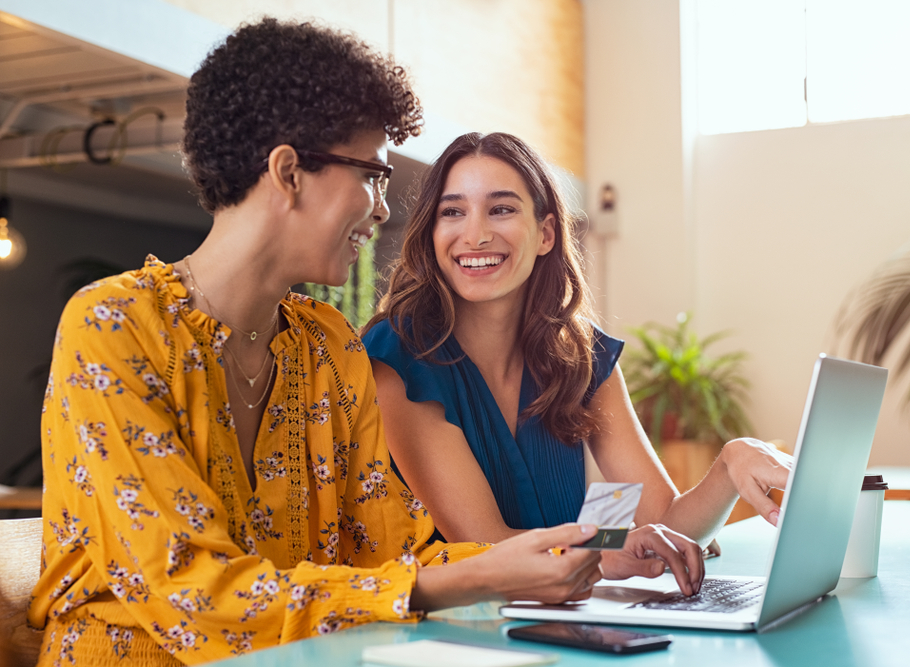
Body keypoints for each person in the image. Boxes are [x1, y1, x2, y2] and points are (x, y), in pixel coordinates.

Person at [28, 22, 604, 666]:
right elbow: (187, 593)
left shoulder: (325, 345)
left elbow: (396, 549)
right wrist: (473, 579)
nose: (385, 209)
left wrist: (556, 555)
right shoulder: (113, 324)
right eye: (374, 175)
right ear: (288, 172)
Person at [362, 132, 793, 593]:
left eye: (501, 208)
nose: (475, 234)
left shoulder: (579, 356)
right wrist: (609, 547)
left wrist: (731, 463)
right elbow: (489, 547)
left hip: (561, 624)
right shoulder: (400, 358)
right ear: (431, 231)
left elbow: (667, 525)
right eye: (453, 211)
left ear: (546, 233)